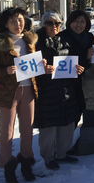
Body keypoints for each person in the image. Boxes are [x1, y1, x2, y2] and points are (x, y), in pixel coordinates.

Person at [0, 7, 40, 183]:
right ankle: (8, 167)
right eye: (13, 21)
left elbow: (34, 66)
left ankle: (26, 163)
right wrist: (5, 71)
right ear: (5, 24)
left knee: (28, 131)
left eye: (21, 20)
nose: (18, 24)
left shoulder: (30, 41)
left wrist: (42, 64)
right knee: (7, 133)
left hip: (28, 90)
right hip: (7, 93)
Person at [34, 12, 84, 170]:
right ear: (44, 24)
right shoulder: (35, 42)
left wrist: (77, 68)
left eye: (57, 23)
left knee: (67, 124)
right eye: (50, 23)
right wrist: (41, 69)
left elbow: (73, 59)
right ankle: (48, 158)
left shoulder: (65, 39)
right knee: (48, 126)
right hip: (46, 90)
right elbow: (27, 68)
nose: (54, 26)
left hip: (66, 89)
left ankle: (61, 154)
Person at [60, 9, 94, 149]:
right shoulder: (62, 37)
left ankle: (70, 144)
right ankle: (63, 146)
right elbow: (63, 59)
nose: (79, 25)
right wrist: (84, 56)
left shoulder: (90, 37)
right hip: (68, 82)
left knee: (82, 110)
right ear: (70, 22)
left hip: (87, 81)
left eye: (82, 21)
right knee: (70, 114)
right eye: (75, 21)